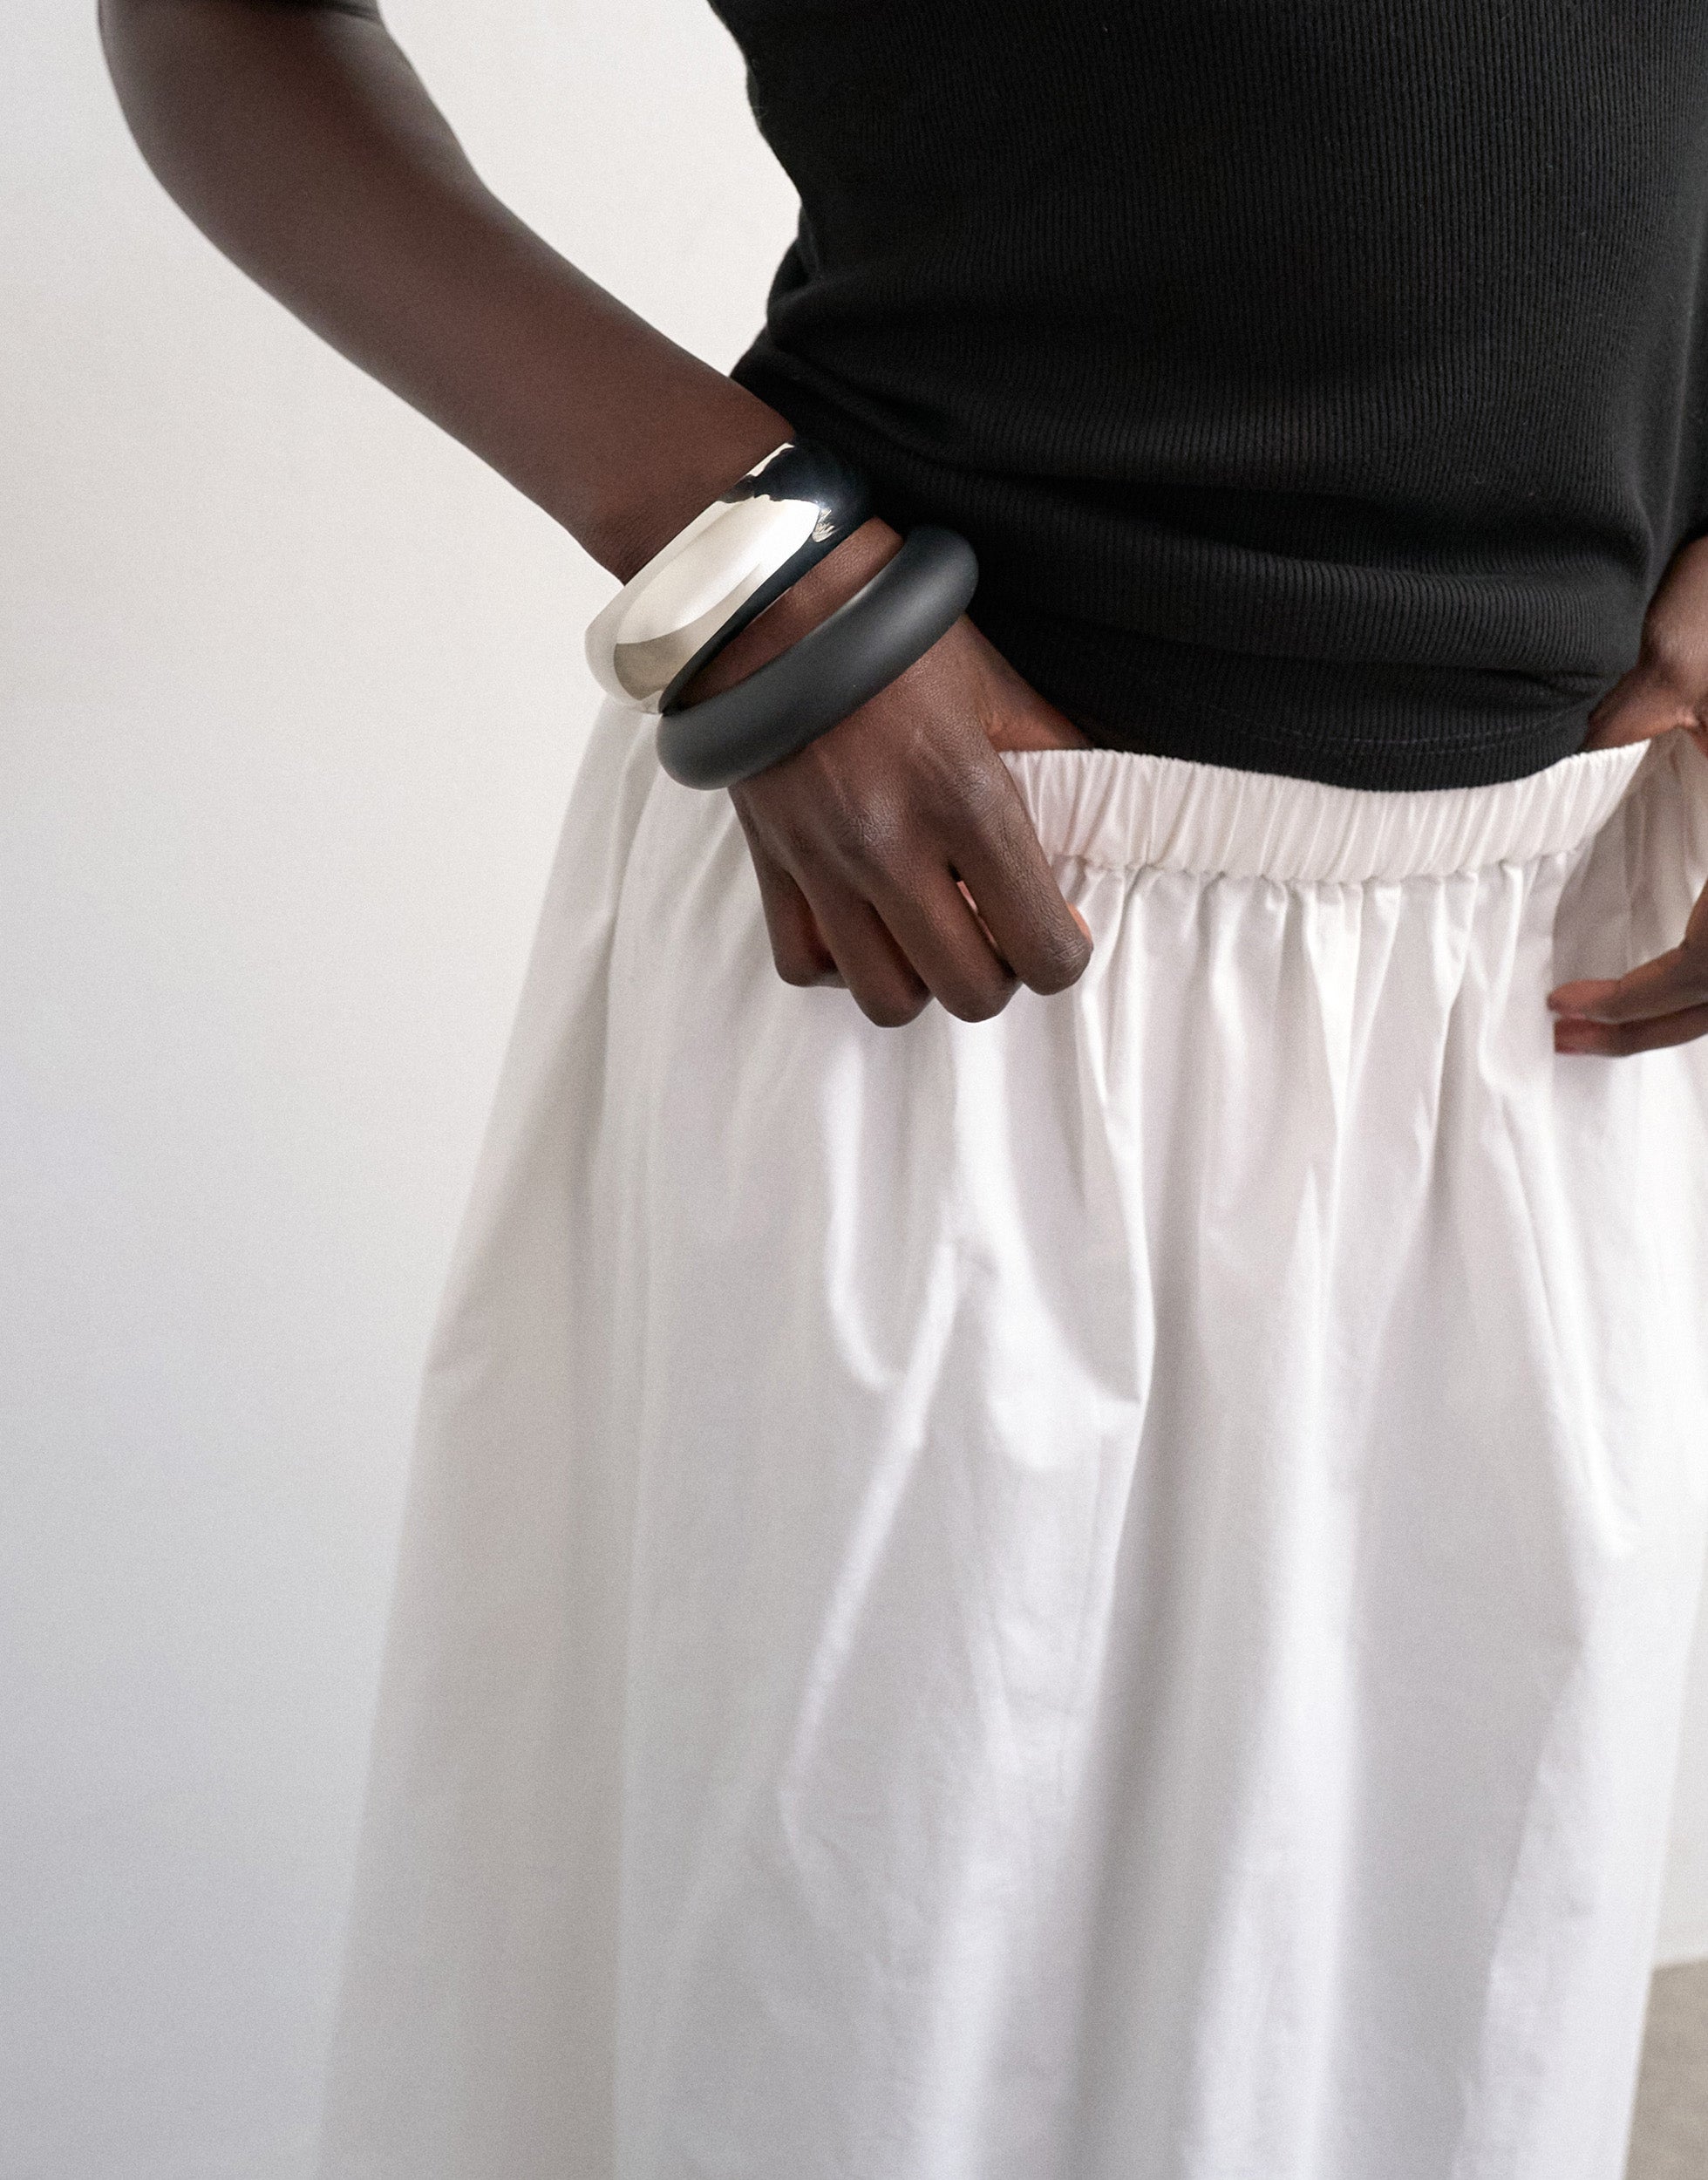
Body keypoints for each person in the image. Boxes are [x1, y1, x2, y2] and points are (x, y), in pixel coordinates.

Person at [101, 4, 1708, 2176]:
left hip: (1537, 975)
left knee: (1419, 2035)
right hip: (939, 933)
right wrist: (742, 571)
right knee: (847, 2037)